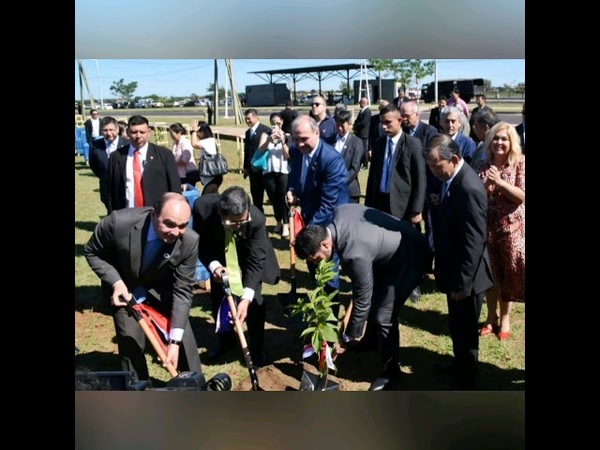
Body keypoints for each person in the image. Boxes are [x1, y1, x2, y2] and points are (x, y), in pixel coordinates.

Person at [293, 204, 429, 391]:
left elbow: (363, 298)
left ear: (325, 244)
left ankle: (391, 373)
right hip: (387, 253)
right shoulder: (340, 212)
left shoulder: (354, 253)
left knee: (384, 317)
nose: (318, 264)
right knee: (377, 299)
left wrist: (348, 336)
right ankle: (371, 342)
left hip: (410, 257)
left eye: (316, 258)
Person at [83, 192, 203, 381]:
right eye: (169, 224)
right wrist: (116, 282)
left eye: (182, 225)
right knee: (131, 342)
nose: (175, 232)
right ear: (153, 215)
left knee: (183, 340)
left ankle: (195, 389)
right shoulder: (118, 223)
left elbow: (183, 291)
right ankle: (138, 390)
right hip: (125, 288)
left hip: (162, 290)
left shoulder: (189, 241)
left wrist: (174, 341)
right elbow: (91, 251)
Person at [422, 133, 494, 390]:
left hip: (469, 276)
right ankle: (458, 364)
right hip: (454, 269)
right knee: (457, 324)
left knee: (466, 329)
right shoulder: (452, 178)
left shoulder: (470, 187)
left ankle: (466, 379)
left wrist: (462, 284)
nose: (432, 171)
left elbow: (474, 242)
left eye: (435, 165)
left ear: (453, 159)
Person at [192, 186, 280, 366]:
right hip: (220, 251)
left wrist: (245, 299)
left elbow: (256, 261)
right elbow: (200, 243)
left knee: (255, 299)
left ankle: (256, 350)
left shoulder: (255, 219)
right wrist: (214, 266)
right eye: (234, 222)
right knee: (219, 296)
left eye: (243, 220)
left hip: (249, 254)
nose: (240, 225)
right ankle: (226, 341)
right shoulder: (202, 208)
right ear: (221, 214)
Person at [286, 115, 349, 315]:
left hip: (329, 224)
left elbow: (329, 203)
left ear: (317, 132)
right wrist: (291, 190)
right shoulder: (296, 151)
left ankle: (329, 320)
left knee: (328, 273)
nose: (300, 143)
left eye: (304, 138)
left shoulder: (331, 159)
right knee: (314, 268)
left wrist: (307, 234)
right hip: (309, 218)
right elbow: (294, 178)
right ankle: (320, 309)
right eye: (296, 139)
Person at [475, 122, 525, 340]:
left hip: (511, 229)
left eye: (504, 139)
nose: (499, 143)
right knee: (490, 275)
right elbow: (475, 197)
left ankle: (505, 318)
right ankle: (490, 316)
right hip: (486, 228)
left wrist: (500, 183)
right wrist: (486, 184)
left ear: (512, 141)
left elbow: (521, 196)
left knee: (507, 276)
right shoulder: (481, 165)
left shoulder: (520, 164)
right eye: (496, 138)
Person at [365, 103, 427, 228]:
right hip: (380, 203)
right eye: (382, 122)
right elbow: (372, 177)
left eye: (388, 122)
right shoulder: (379, 144)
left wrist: (417, 209)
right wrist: (368, 206)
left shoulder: (412, 144)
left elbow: (420, 179)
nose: (383, 126)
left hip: (403, 207)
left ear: (399, 121)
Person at [107, 115, 181, 214]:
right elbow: (109, 190)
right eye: (134, 132)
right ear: (128, 132)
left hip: (156, 215)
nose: (138, 136)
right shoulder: (116, 157)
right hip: (126, 215)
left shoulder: (164, 155)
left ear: (148, 132)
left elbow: (175, 188)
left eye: (142, 132)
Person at [257, 112, 291, 237]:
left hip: (283, 171)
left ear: (282, 122)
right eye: (273, 124)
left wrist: (283, 141)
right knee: (273, 198)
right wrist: (269, 140)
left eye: (278, 123)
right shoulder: (265, 135)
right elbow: (260, 150)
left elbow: (288, 155)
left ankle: (286, 225)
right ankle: (278, 221)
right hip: (268, 171)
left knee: (283, 198)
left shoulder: (287, 135)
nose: (276, 126)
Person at [89, 116, 130, 214]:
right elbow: (94, 165)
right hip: (106, 189)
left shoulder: (127, 144)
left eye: (111, 130)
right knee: (111, 214)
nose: (109, 133)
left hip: (125, 187)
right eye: (105, 130)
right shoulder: (95, 145)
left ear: (117, 129)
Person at [243, 109, 271, 213]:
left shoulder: (266, 130)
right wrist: (246, 167)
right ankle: (259, 216)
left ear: (256, 117)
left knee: (271, 195)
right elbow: (247, 151)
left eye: (249, 118)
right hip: (253, 170)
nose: (247, 121)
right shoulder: (247, 133)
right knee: (256, 196)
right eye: (246, 119)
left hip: (265, 169)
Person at [334, 109, 364, 204]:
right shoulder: (331, 141)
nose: (339, 129)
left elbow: (355, 168)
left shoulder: (356, 142)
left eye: (342, 126)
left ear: (349, 124)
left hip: (349, 190)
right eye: (337, 125)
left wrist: (340, 183)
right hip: (332, 191)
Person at [190, 120, 223, 195]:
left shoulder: (208, 141)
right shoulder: (211, 140)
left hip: (212, 177)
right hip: (214, 175)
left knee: (204, 199)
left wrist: (194, 131)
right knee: (213, 197)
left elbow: (194, 144)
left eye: (198, 132)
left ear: (202, 132)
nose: (197, 135)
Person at [353, 97, 372, 169]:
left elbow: (364, 122)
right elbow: (357, 120)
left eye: (360, 102)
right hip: (359, 133)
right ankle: (361, 162)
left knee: (364, 149)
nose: (359, 104)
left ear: (363, 103)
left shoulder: (367, 111)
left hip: (364, 134)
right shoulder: (362, 111)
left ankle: (365, 164)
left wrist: (356, 127)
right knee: (359, 149)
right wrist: (354, 126)